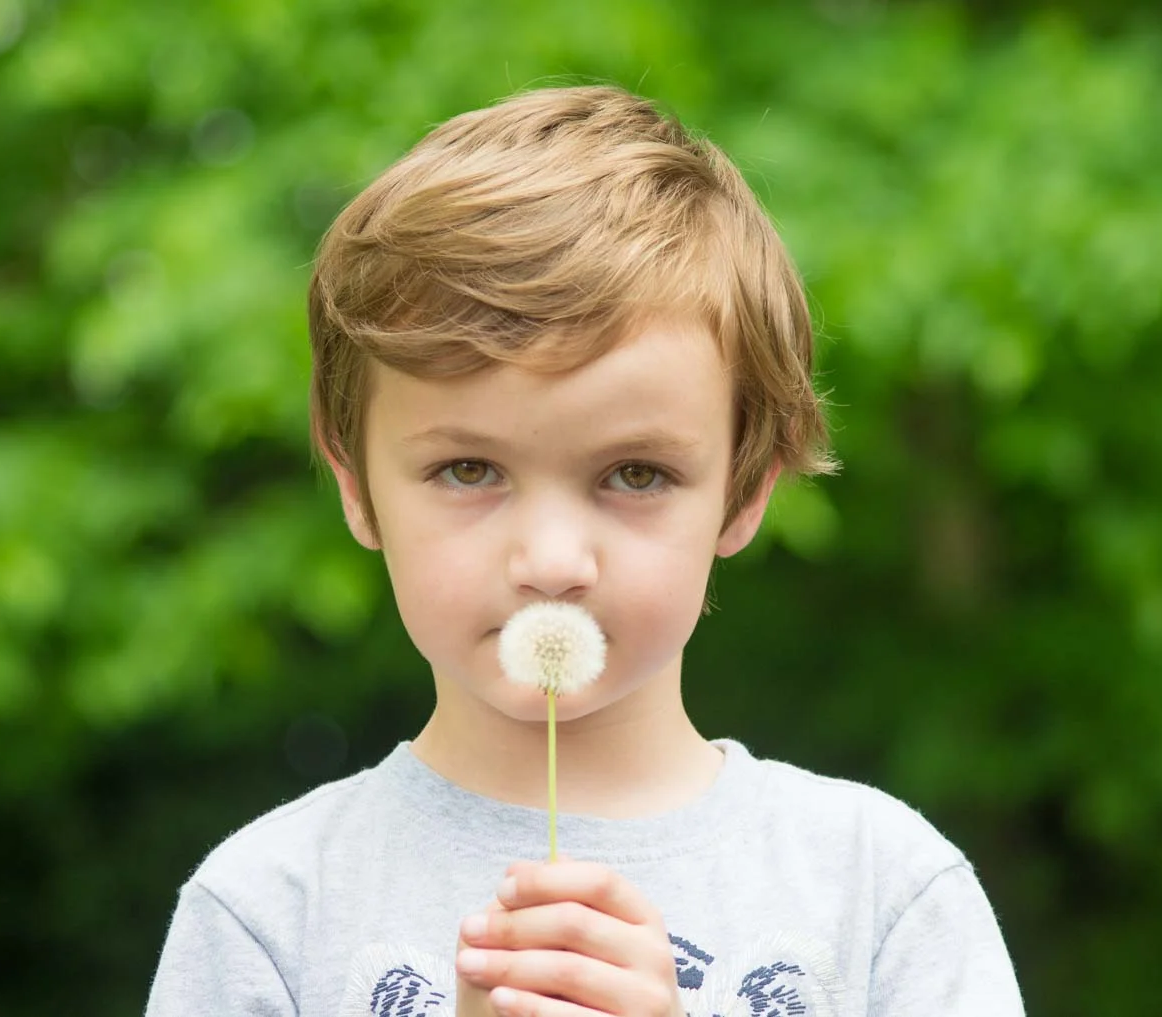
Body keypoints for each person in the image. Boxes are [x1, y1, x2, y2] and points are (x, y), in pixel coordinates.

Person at [145, 84, 1024, 1017]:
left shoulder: (882, 894)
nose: (554, 558)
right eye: (469, 469)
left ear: (744, 488)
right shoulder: (270, 913)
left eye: (635, 474)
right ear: (356, 483)